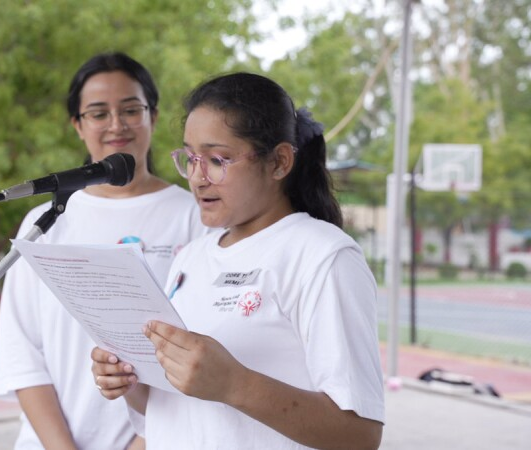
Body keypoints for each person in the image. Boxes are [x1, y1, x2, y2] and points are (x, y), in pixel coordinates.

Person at [91, 73, 385, 449]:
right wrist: (131, 381)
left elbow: (359, 435)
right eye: (191, 158)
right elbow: (168, 412)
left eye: (217, 159)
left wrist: (236, 384)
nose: (197, 178)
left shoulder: (323, 257)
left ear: (279, 162)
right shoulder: (193, 256)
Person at [0, 52, 207, 449]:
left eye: (130, 110)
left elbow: (203, 349)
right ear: (77, 124)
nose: (116, 125)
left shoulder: (195, 215)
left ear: (152, 117)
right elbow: (21, 354)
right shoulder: (46, 220)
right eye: (98, 113)